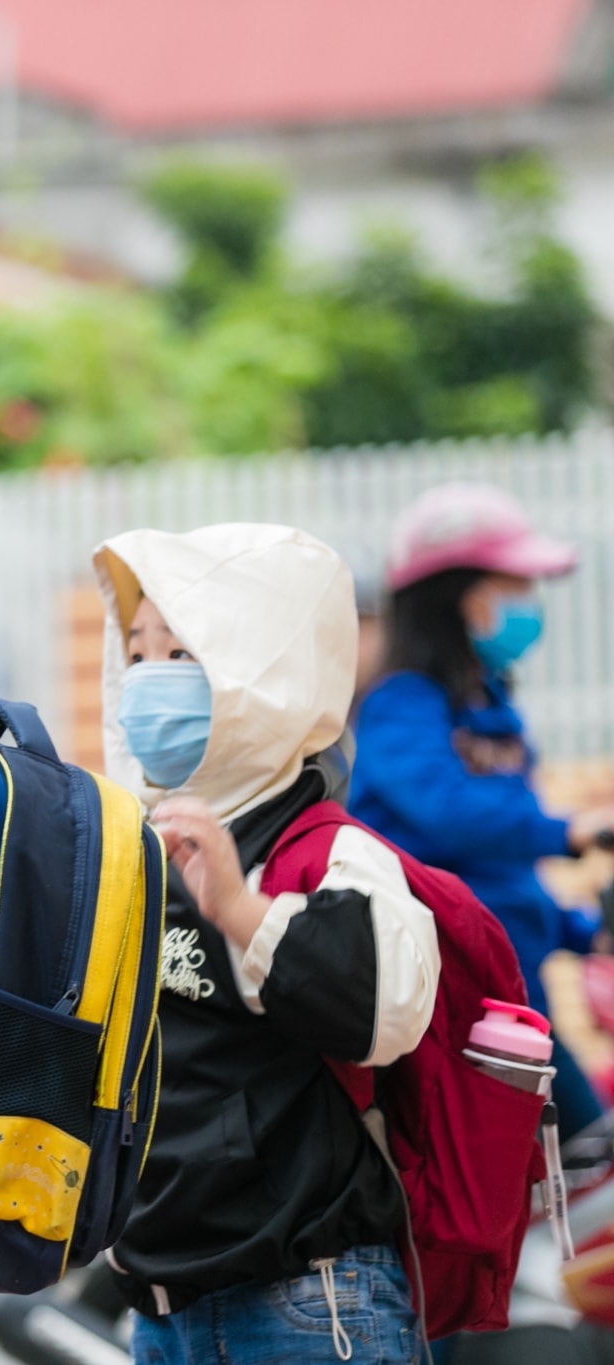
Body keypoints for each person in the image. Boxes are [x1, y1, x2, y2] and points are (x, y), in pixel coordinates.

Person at [94, 524, 437, 1365]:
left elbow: (382, 1012)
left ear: (264, 676)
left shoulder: (330, 850)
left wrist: (243, 909)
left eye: (182, 655)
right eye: (137, 653)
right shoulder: (134, 842)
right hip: (163, 1306)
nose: (146, 681)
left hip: (304, 1303)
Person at [348, 484, 614, 1140]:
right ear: (461, 597)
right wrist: (567, 830)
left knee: (581, 1168)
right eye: (514, 586)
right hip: (452, 1008)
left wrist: (587, 931)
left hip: (518, 996)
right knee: (582, 1155)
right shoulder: (399, 705)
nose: (529, 603)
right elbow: (445, 813)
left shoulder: (493, 707)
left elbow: (507, 880)